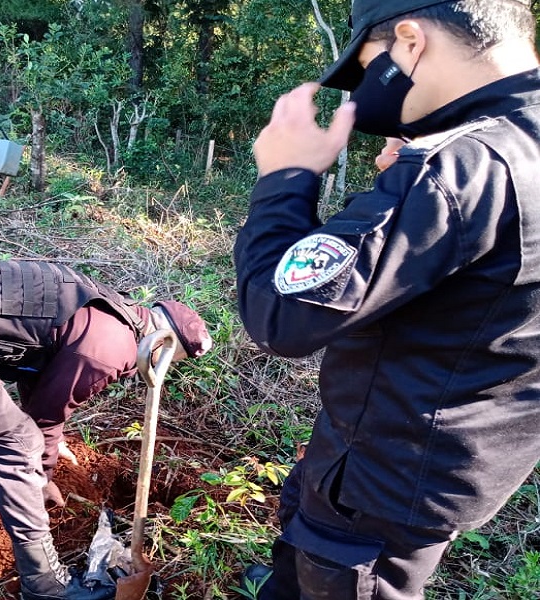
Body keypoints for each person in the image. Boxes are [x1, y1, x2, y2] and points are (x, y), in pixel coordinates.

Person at [233, 1, 540, 598]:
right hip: (444, 466)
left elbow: (279, 316)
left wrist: (286, 177)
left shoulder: (465, 165)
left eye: (371, 64)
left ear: (409, 40)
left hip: (377, 492)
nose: (369, 87)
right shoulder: (514, 145)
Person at [0, 254, 212, 600]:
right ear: (162, 344)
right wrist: (40, 477)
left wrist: (51, 443)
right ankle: (45, 584)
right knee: (15, 440)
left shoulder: (108, 311)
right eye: (170, 360)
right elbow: (42, 419)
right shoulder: (111, 347)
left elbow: (37, 371)